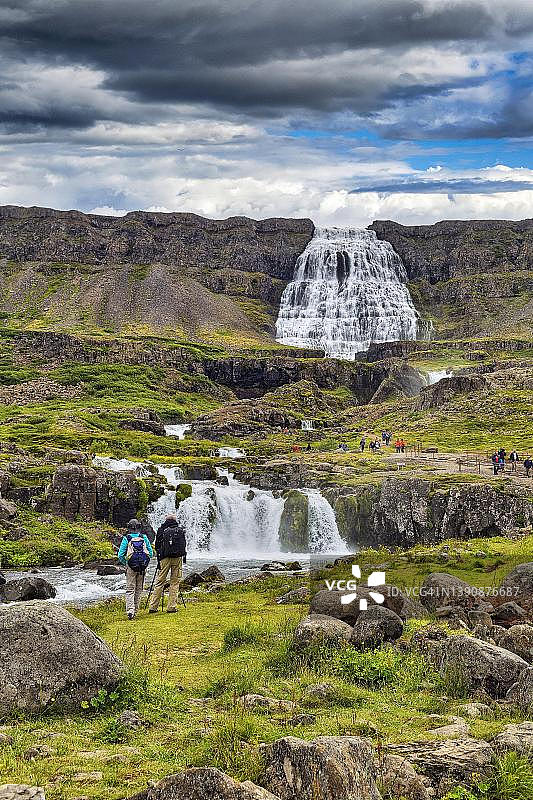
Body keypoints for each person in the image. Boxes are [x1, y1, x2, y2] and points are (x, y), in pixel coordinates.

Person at [149, 514, 187, 614]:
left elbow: (157, 545)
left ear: (166, 520)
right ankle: (172, 607)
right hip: (177, 558)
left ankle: (153, 607)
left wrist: (159, 557)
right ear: (175, 520)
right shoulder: (179, 530)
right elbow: (184, 544)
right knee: (174, 582)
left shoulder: (161, 529)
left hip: (164, 558)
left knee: (160, 582)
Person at [118, 519, 153, 620]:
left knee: (130, 589)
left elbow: (120, 555)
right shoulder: (144, 537)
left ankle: (130, 610)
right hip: (142, 567)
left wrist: (127, 563)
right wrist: (145, 563)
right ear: (138, 527)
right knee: (139, 589)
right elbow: (150, 553)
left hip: (131, 567)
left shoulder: (126, 538)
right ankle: (136, 610)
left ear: (129, 527)